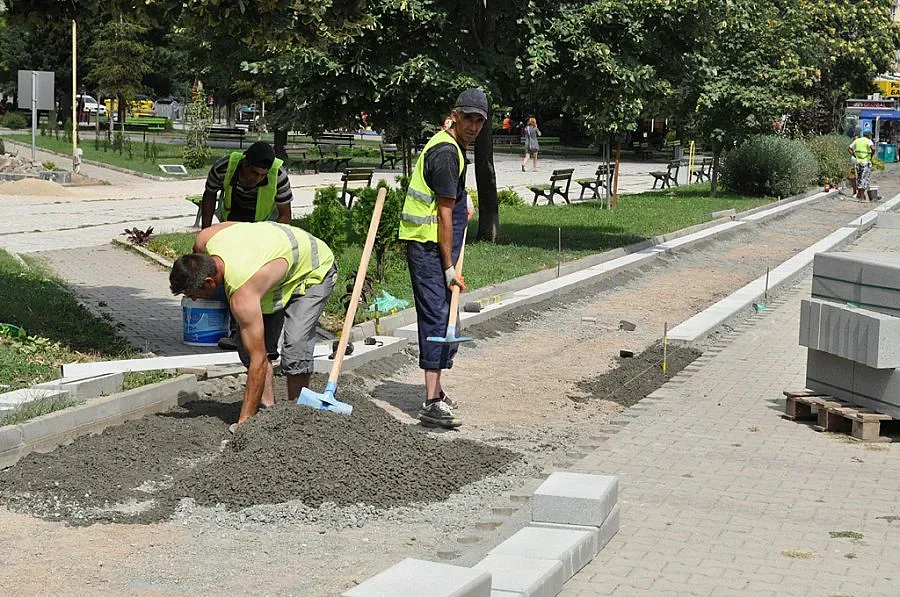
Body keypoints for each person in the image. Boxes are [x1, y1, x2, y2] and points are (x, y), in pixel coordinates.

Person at [169, 221, 337, 432]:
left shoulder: (243, 294)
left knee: (295, 345)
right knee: (249, 346)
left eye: (192, 294)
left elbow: (259, 360)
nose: (193, 300)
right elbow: (243, 227)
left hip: (312, 269)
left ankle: (298, 416)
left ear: (210, 282)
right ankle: (269, 410)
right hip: (271, 271)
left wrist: (244, 422)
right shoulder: (205, 240)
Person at [398, 88, 486, 428]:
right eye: (469, 119)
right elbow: (443, 217)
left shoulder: (452, 148)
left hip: (435, 246)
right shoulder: (447, 153)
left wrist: (466, 199)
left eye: (479, 121)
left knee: (448, 317)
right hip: (428, 248)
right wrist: (449, 267)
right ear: (456, 115)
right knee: (437, 318)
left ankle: (437, 389)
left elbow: (450, 199)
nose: (474, 126)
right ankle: (431, 401)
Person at [201, 141, 294, 349]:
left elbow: (285, 215)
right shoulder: (224, 167)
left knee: (250, 280)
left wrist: (271, 242)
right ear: (244, 163)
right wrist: (206, 231)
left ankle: (250, 334)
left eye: (262, 175)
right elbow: (209, 195)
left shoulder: (278, 176)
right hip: (230, 228)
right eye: (253, 173)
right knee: (230, 277)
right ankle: (237, 331)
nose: (257, 179)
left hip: (261, 231)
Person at [848, 129, 876, 201]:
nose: (871, 136)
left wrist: (854, 155)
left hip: (858, 162)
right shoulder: (868, 140)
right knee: (864, 179)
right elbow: (873, 148)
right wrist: (871, 155)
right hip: (865, 162)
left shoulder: (857, 140)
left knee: (859, 178)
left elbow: (849, 149)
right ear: (868, 135)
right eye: (871, 135)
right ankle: (861, 197)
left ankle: (860, 195)